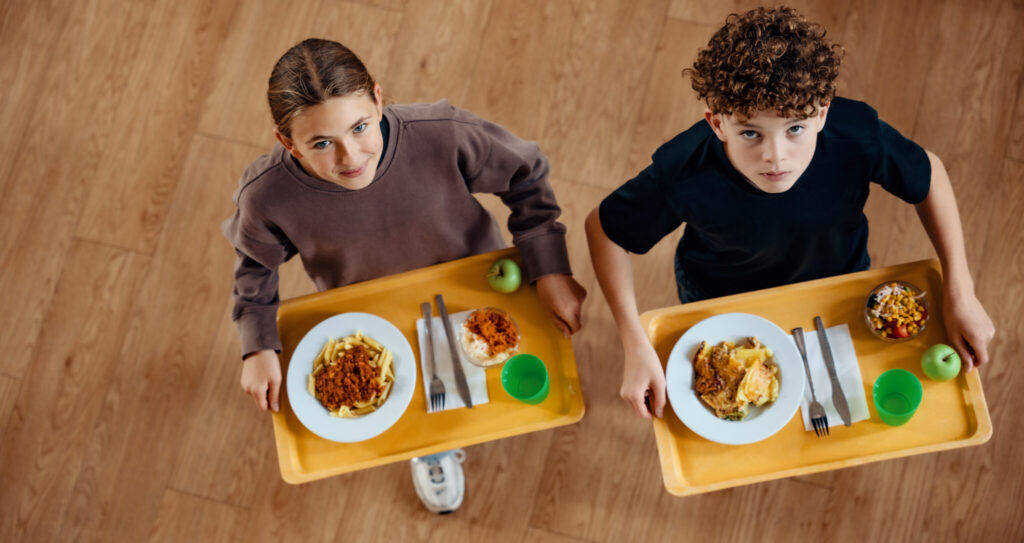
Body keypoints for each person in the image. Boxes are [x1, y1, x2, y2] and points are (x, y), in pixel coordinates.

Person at [223, 38, 587, 513]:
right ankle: (431, 452)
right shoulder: (266, 196)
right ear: (287, 143)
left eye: (359, 127)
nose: (350, 157)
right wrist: (257, 345)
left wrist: (550, 265)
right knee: (416, 414)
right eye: (321, 144)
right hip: (369, 324)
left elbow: (527, 174)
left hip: (472, 293)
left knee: (491, 390)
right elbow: (255, 267)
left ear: (378, 99)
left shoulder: (442, 133)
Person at [585, 6, 995, 420]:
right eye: (750, 133)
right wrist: (635, 341)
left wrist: (960, 291)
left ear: (821, 113)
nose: (776, 157)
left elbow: (931, 173)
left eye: (795, 129)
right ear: (716, 124)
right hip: (720, 299)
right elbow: (606, 230)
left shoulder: (857, 134)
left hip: (838, 285)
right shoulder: (683, 170)